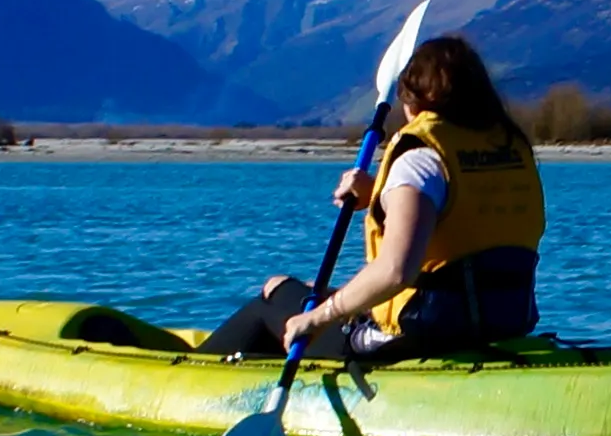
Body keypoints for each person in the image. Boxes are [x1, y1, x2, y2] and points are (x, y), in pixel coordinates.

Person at [206, 35, 548, 364]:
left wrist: (319, 319)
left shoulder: (421, 158)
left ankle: (195, 371)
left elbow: (396, 271)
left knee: (277, 291)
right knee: (313, 290)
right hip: (502, 320)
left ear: (412, 101)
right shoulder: (508, 147)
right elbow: (465, 219)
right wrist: (379, 196)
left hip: (421, 332)